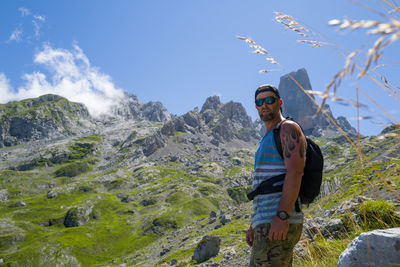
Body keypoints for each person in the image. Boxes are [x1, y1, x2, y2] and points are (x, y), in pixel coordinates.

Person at [246, 84, 306, 267]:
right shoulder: (267, 136)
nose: (264, 104)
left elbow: (295, 172)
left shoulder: (287, 128)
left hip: (277, 220)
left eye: (269, 100)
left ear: (279, 102)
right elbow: (265, 184)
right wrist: (254, 223)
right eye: (259, 102)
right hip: (265, 221)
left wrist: (281, 216)